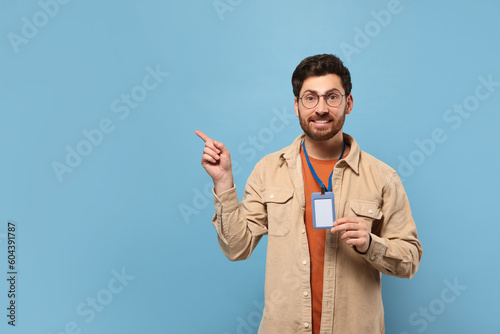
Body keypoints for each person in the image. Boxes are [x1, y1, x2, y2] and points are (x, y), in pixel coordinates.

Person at [195, 54, 422, 333]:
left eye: (332, 97)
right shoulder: (268, 170)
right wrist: (223, 183)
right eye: (310, 98)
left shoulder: (383, 177)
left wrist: (370, 244)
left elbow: (410, 260)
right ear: (296, 106)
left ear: (348, 103)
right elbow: (236, 248)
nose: (321, 108)